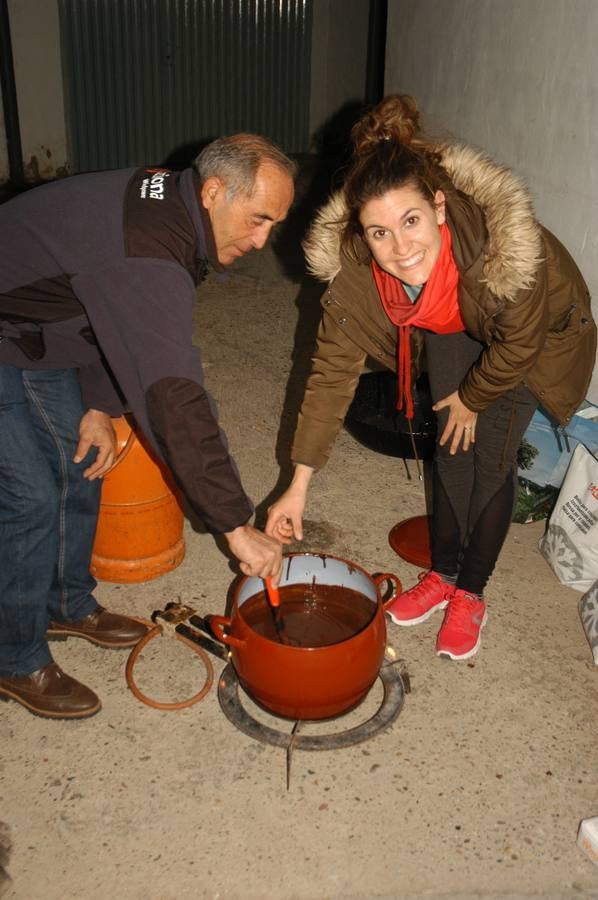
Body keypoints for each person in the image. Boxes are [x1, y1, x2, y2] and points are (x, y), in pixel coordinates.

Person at [266, 95, 596, 661]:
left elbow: (518, 341)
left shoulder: (508, 253)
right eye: (379, 233)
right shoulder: (357, 276)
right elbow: (328, 378)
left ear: (439, 207)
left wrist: (471, 396)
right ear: (360, 235)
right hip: (450, 318)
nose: (400, 248)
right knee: (448, 449)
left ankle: (471, 592)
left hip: (530, 334)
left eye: (411, 221)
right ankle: (443, 575)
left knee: (490, 455)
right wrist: (296, 486)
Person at [0, 133, 294, 718]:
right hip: (8, 329)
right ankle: (13, 658)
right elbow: (173, 397)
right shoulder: (149, 246)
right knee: (32, 495)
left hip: (41, 328)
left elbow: (106, 306)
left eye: (274, 225)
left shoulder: (178, 209)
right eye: (258, 219)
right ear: (214, 191)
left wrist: (101, 407)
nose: (263, 241)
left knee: (84, 462)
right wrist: (235, 525)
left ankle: (66, 604)